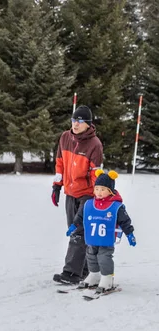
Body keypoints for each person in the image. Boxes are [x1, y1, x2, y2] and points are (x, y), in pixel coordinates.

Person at [52, 105, 103, 285]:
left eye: (80, 121)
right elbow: (60, 163)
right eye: (74, 120)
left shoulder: (94, 144)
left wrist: (97, 196)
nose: (75, 124)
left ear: (88, 124)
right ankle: (86, 269)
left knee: (78, 231)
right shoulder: (65, 137)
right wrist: (57, 186)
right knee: (75, 229)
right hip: (70, 192)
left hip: (87, 195)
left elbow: (95, 173)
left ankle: (71, 273)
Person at [65, 170, 135, 293]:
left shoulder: (116, 206)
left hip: (106, 239)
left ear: (110, 191)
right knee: (91, 256)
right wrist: (74, 226)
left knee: (104, 257)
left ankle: (107, 278)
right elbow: (80, 216)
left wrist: (130, 234)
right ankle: (94, 275)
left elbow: (125, 221)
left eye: (103, 189)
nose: (99, 192)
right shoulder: (89, 204)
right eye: (97, 189)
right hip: (92, 238)